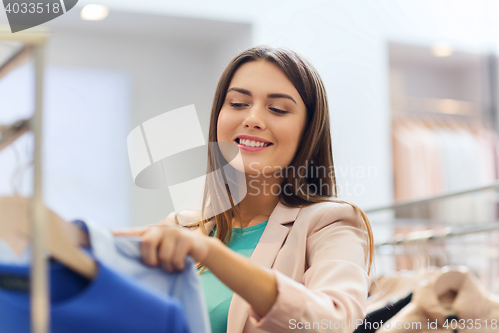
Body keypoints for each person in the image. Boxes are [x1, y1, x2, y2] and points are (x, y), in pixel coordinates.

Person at [113, 45, 375, 333]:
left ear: (308, 131)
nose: (252, 119)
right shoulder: (183, 227)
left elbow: (334, 323)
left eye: (277, 109)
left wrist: (212, 254)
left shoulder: (331, 223)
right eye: (238, 104)